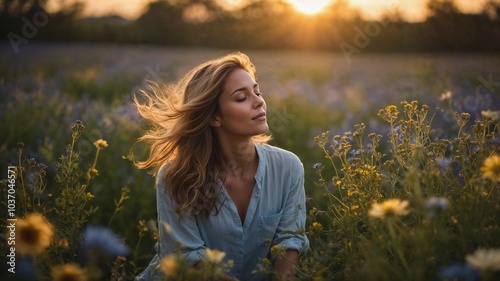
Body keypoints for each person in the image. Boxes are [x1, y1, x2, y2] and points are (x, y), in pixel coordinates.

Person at [134, 52, 309, 281]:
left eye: (257, 91)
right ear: (215, 118)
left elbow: (289, 244)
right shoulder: (176, 176)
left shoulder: (288, 168)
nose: (259, 101)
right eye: (241, 98)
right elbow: (188, 260)